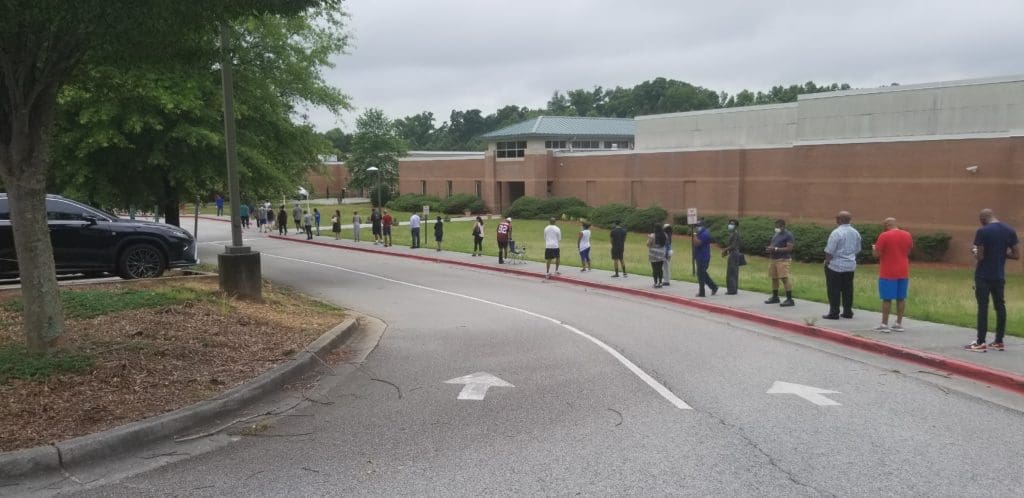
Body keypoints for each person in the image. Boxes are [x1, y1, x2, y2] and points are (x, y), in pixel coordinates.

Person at [966, 209, 1019, 352]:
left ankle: (980, 342)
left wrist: (974, 251)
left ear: (983, 218)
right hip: (999, 275)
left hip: (983, 275)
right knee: (1000, 306)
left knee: (983, 307)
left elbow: (980, 257)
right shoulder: (1009, 230)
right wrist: (1002, 253)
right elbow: (1016, 255)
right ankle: (999, 341)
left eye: (980, 219)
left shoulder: (983, 231)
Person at [872, 217, 913, 332]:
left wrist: (874, 249)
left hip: (888, 271)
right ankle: (898, 323)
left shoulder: (884, 236)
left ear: (886, 225)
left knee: (887, 299)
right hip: (903, 270)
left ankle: (885, 324)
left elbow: (876, 254)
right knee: (901, 298)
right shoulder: (907, 235)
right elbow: (908, 251)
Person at [822, 211, 862, 319]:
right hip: (850, 265)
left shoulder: (836, 232)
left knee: (833, 289)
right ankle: (848, 311)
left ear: (839, 220)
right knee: (848, 289)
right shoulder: (855, 232)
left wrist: (827, 262)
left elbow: (829, 250)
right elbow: (858, 249)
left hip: (835, 265)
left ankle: (834, 312)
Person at [765, 219, 795, 306]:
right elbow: (773, 245)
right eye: (775, 226)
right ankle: (775, 297)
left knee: (784, 278)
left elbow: (789, 248)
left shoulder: (788, 235)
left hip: (783, 259)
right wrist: (769, 248)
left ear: (783, 226)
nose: (776, 228)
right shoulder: (776, 234)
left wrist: (776, 249)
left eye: (778, 227)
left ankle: (789, 299)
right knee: (774, 278)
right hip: (774, 259)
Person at [692, 220, 718, 296]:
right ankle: (714, 287)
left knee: (701, 274)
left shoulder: (704, 234)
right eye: (695, 226)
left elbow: (697, 244)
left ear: (701, 226)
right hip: (699, 256)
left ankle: (702, 292)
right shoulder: (700, 233)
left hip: (703, 257)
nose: (696, 228)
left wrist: (694, 236)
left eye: (697, 226)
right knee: (702, 273)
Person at [721, 218, 742, 295]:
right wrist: (726, 252)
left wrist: (725, 250)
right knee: (731, 271)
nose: (730, 225)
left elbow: (733, 245)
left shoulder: (736, 234)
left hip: (734, 254)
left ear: (736, 226)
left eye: (732, 224)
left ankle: (732, 290)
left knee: (732, 272)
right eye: (730, 223)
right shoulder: (732, 234)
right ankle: (732, 289)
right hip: (732, 253)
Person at [647, 224, 667, 288]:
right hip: (661, 254)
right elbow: (665, 243)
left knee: (654, 269)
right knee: (660, 269)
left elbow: (648, 244)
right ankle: (660, 282)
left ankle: (655, 283)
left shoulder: (652, 236)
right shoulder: (664, 235)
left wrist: (649, 238)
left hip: (653, 254)